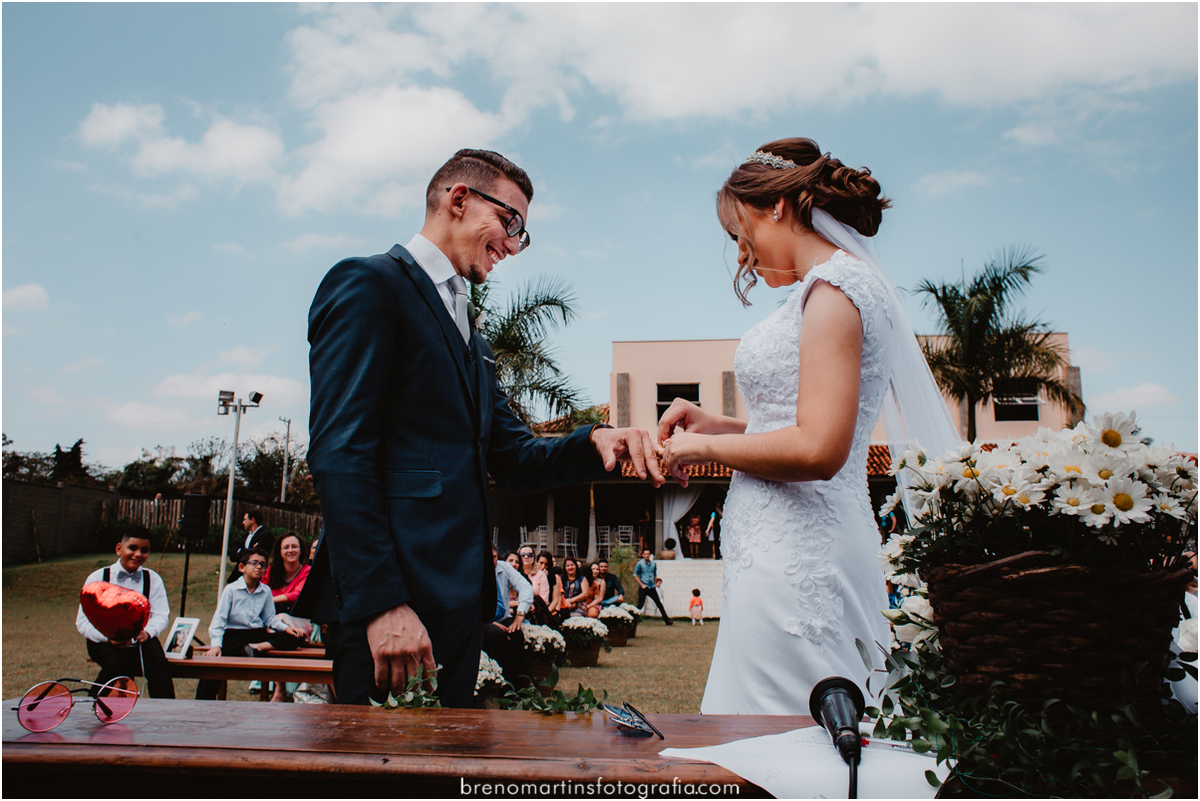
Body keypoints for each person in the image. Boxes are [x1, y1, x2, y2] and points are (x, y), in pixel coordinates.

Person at [299, 148, 665, 708]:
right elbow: (340, 454)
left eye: (522, 234)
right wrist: (381, 604)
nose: (514, 245)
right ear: (459, 199)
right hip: (394, 610)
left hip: (459, 608)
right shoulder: (369, 284)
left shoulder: (472, 333)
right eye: (509, 222)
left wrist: (595, 441)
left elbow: (512, 458)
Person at [657, 138, 960, 714]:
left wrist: (702, 448)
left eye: (739, 231)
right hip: (775, 552)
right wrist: (716, 425)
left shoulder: (835, 291)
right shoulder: (825, 290)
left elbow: (819, 448)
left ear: (777, 207)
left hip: (799, 561)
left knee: (788, 729)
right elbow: (797, 423)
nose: (740, 253)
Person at [197, 547, 307, 701]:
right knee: (213, 666)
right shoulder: (231, 590)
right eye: (254, 563)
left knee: (297, 637)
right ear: (242, 567)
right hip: (234, 635)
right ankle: (202, 703)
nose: (259, 567)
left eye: (263, 564)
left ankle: (259, 647)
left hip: (256, 635)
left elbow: (269, 619)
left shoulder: (265, 591)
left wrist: (287, 628)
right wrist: (216, 645)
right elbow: (218, 621)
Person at [75, 530, 175, 698]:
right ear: (119, 549)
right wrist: (109, 638)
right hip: (103, 641)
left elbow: (161, 615)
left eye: (144, 550)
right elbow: (83, 622)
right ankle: (92, 702)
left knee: (158, 662)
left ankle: (165, 707)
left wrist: (147, 632)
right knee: (117, 663)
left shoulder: (153, 579)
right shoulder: (98, 577)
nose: (138, 554)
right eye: (132, 548)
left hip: (140, 639)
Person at [482, 545, 533, 684]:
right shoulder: (476, 570)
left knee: (517, 634)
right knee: (498, 635)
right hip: (482, 620)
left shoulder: (503, 567)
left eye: (494, 557)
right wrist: (490, 622)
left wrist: (520, 614)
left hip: (503, 616)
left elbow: (525, 586)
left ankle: (520, 682)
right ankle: (504, 683)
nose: (491, 561)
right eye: (488, 557)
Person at [264, 532, 311, 612]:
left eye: (294, 547)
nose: (290, 550)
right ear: (280, 552)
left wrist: (269, 601)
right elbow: (261, 591)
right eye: (286, 547)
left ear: (301, 551)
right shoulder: (270, 570)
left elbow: (299, 594)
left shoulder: (307, 571)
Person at [227, 508, 272, 584]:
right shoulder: (245, 537)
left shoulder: (265, 535)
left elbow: (259, 555)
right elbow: (233, 556)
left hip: (256, 574)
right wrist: (250, 550)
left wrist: (241, 551)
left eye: (245, 519)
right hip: (239, 574)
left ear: (252, 520)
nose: (243, 522)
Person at [633, 549, 673, 625]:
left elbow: (655, 574)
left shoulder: (653, 564)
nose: (646, 556)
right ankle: (632, 619)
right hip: (644, 587)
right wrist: (641, 584)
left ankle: (667, 621)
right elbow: (635, 575)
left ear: (650, 555)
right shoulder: (640, 564)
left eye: (648, 554)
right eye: (645, 554)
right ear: (643, 555)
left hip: (651, 587)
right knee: (640, 605)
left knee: (659, 603)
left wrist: (654, 584)